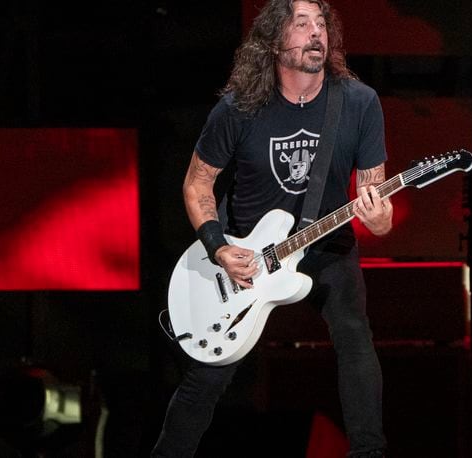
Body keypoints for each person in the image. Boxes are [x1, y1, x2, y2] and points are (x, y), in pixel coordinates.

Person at [152, 1, 392, 457]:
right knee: (208, 372)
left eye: (321, 24)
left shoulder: (358, 103)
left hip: (326, 243)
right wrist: (219, 248)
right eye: (302, 24)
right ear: (274, 40)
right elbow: (197, 181)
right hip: (245, 251)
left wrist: (379, 217)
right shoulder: (239, 108)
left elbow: (374, 196)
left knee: (355, 336)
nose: (315, 33)